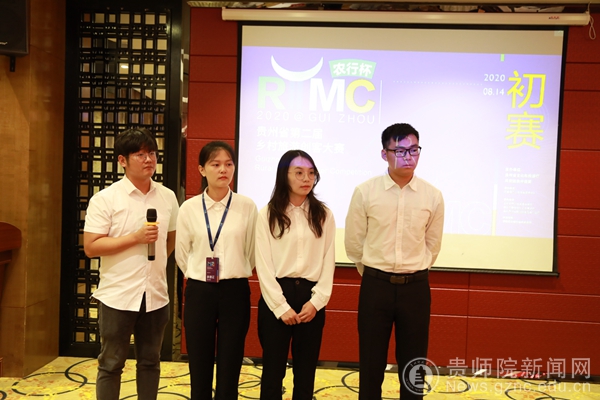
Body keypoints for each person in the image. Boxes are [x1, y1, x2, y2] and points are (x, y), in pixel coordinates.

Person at [345, 123, 444, 400]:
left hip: (416, 289)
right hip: (376, 286)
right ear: (384, 154)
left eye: (414, 150)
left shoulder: (432, 195)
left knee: (414, 363)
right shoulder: (365, 192)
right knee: (371, 360)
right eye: (400, 151)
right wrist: (374, 272)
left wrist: (413, 269)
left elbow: (432, 245)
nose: (408, 156)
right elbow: (354, 243)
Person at [83, 128, 179, 400]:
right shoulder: (106, 198)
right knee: (111, 364)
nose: (149, 159)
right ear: (122, 160)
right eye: (140, 154)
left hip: (156, 294)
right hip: (118, 295)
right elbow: (91, 247)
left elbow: (170, 240)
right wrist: (135, 238)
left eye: (152, 153)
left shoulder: (167, 196)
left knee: (150, 362)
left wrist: (153, 266)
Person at [175, 141, 258, 400]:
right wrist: (200, 272)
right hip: (200, 291)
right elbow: (182, 254)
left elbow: (252, 251)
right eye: (216, 164)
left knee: (230, 361)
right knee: (199, 361)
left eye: (229, 164)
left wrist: (233, 268)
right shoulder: (189, 208)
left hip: (235, 290)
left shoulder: (247, 206)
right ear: (202, 169)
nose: (223, 170)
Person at [255, 150, 336, 400]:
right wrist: (280, 306)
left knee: (306, 371)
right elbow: (263, 265)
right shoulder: (268, 214)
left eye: (311, 173)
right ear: (284, 176)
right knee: (272, 371)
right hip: (276, 297)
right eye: (299, 173)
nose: (306, 178)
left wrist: (317, 301)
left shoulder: (323, 214)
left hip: (310, 299)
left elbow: (328, 261)